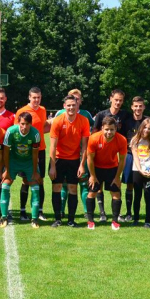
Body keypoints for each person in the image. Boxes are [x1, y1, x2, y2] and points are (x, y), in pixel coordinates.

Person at [49, 95, 90, 227]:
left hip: (74, 160)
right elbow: (53, 146)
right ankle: (57, 219)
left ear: (77, 105)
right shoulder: (58, 121)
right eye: (69, 105)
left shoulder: (83, 120)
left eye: (74, 104)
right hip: (59, 159)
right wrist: (52, 166)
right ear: (64, 106)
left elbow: (84, 146)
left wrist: (82, 165)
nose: (71, 107)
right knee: (57, 187)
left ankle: (71, 220)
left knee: (73, 188)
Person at [0, 112, 41, 228]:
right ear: (18, 123)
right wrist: (7, 170)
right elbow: (6, 152)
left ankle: (34, 219)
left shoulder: (35, 134)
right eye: (22, 124)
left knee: (35, 187)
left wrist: (34, 171)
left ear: (30, 124)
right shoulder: (10, 131)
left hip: (28, 162)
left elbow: (35, 154)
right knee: (5, 186)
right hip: (13, 161)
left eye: (27, 124)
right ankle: (4, 217)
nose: (24, 127)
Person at [86, 116, 128, 230]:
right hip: (97, 168)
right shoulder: (94, 138)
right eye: (107, 129)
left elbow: (122, 159)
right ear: (102, 128)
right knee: (92, 193)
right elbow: (89, 159)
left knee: (116, 194)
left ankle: (115, 221)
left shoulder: (122, 140)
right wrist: (93, 176)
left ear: (116, 129)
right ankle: (90, 221)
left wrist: (117, 177)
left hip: (112, 168)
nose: (109, 132)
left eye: (112, 129)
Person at [93, 89, 128, 220]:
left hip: (118, 151)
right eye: (116, 100)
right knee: (98, 185)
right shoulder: (101, 115)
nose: (118, 102)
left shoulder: (125, 115)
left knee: (116, 184)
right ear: (111, 99)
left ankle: (117, 213)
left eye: (120, 100)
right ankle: (102, 213)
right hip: (101, 152)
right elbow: (94, 133)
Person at [16, 87, 49, 221]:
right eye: (34, 97)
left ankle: (39, 211)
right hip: (26, 151)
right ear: (29, 97)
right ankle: (23, 211)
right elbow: (17, 132)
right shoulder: (21, 111)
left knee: (39, 180)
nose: (36, 100)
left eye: (39, 97)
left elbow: (44, 126)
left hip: (40, 149)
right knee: (26, 181)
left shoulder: (43, 110)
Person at [130, 119, 150, 227]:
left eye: (149, 128)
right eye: (145, 127)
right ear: (141, 127)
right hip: (137, 171)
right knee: (137, 196)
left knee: (148, 195)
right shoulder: (134, 140)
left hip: (149, 171)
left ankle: (147, 221)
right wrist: (140, 169)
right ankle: (136, 219)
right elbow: (136, 158)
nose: (146, 130)